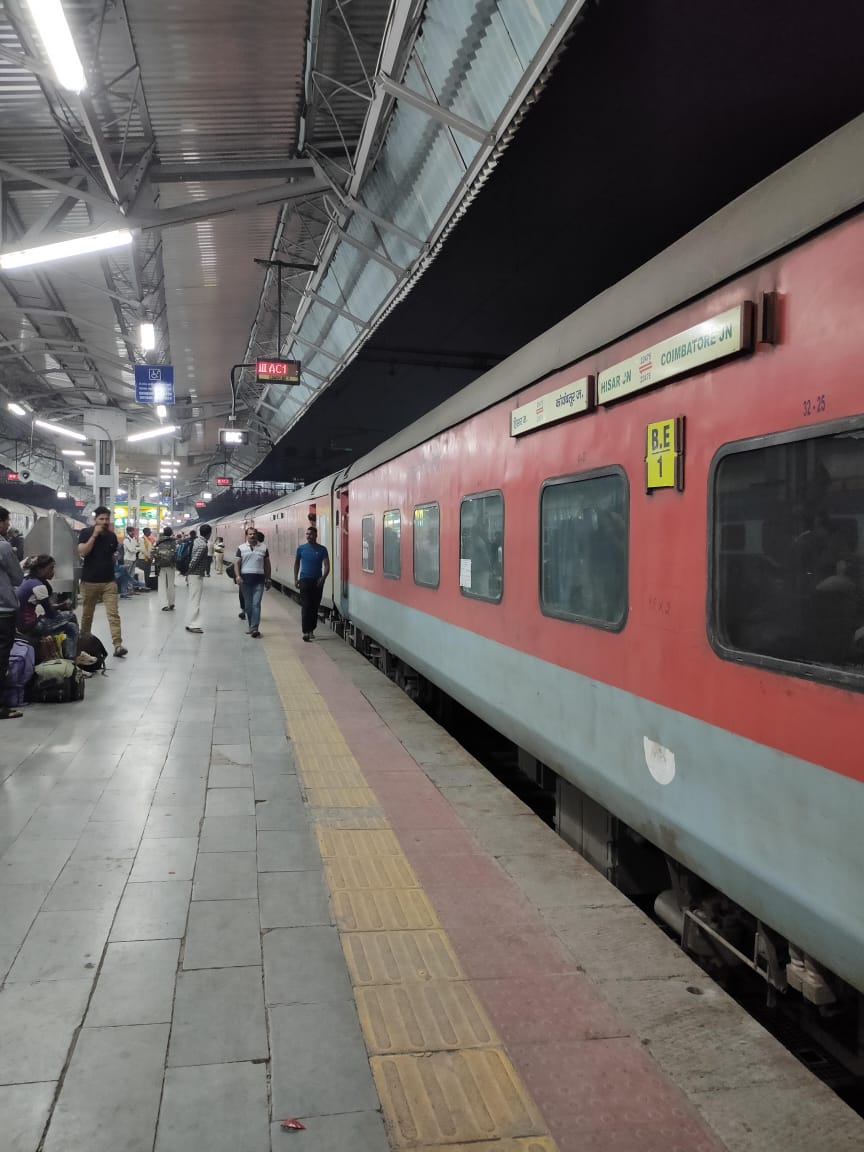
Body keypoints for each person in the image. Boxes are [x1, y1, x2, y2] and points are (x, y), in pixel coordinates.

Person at [77, 506, 127, 658]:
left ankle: (117, 645)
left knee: (113, 614)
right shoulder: (85, 533)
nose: (104, 522)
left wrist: (114, 558)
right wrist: (94, 536)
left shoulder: (112, 536)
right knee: (87, 615)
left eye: (107, 519)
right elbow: (83, 552)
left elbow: (112, 555)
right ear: (95, 519)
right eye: (101, 519)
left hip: (108, 582)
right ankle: (84, 645)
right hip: (89, 582)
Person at [16, 554, 82, 660]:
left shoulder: (28, 580)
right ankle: (74, 655)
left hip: (22, 624)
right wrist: (63, 608)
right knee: (70, 616)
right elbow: (51, 614)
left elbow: (48, 608)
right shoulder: (38, 586)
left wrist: (60, 606)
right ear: (39, 569)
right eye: (50, 568)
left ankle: (71, 657)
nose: (52, 572)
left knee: (72, 627)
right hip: (31, 626)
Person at [0, 507, 25, 719]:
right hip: (3, 610)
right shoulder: (4, 547)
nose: (8, 525)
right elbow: (17, 578)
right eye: (6, 521)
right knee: (1, 657)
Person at [294, 524, 330, 642]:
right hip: (304, 580)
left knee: (314, 606)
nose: (308, 536)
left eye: (311, 534)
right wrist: (296, 578)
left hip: (317, 581)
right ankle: (305, 631)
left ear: (316, 535)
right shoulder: (301, 548)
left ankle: (311, 630)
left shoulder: (322, 549)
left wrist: (323, 578)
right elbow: (297, 564)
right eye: (307, 534)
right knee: (306, 605)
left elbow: (327, 565)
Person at [235, 525, 271, 638]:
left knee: (256, 604)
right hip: (245, 581)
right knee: (248, 605)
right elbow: (237, 563)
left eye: (254, 534)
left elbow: (267, 565)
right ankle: (251, 626)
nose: (252, 536)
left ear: (256, 535)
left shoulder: (264, 548)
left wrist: (268, 578)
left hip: (259, 580)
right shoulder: (241, 548)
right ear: (247, 535)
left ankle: (255, 628)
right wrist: (237, 576)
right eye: (250, 534)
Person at [185, 524, 211, 634]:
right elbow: (194, 560)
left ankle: (190, 622)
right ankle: (194, 624)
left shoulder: (197, 541)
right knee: (195, 600)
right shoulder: (203, 545)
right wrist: (188, 572)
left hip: (193, 574)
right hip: (195, 575)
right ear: (209, 533)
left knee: (192, 599)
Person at [154, 525, 177, 611]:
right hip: (170, 565)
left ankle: (164, 604)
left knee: (162, 584)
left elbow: (153, 551)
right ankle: (171, 603)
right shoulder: (173, 542)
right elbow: (175, 553)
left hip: (160, 565)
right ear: (171, 533)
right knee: (171, 584)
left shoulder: (159, 541)